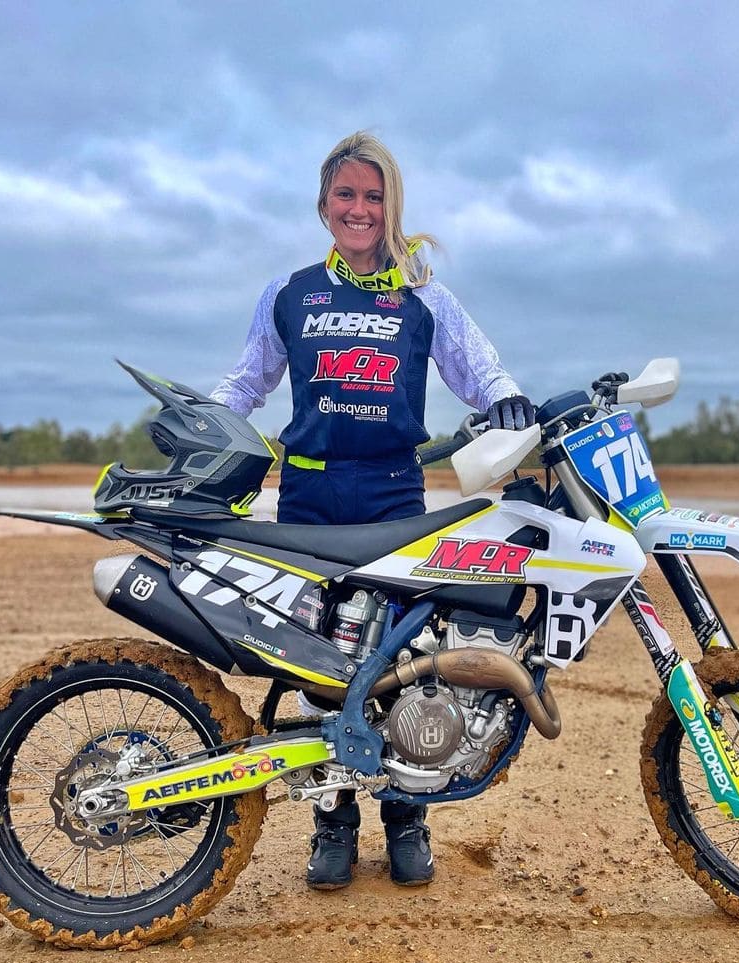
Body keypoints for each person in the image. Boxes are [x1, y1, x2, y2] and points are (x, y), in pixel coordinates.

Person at [212, 131, 533, 892]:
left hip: (393, 493)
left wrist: (506, 399)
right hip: (309, 496)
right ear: (323, 204)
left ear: (392, 206)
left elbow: (479, 367)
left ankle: (405, 816)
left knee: (399, 658)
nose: (359, 209)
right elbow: (247, 382)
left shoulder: (421, 293)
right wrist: (205, 425)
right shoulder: (290, 293)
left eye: (374, 196)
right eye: (346, 195)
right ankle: (333, 820)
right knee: (316, 662)